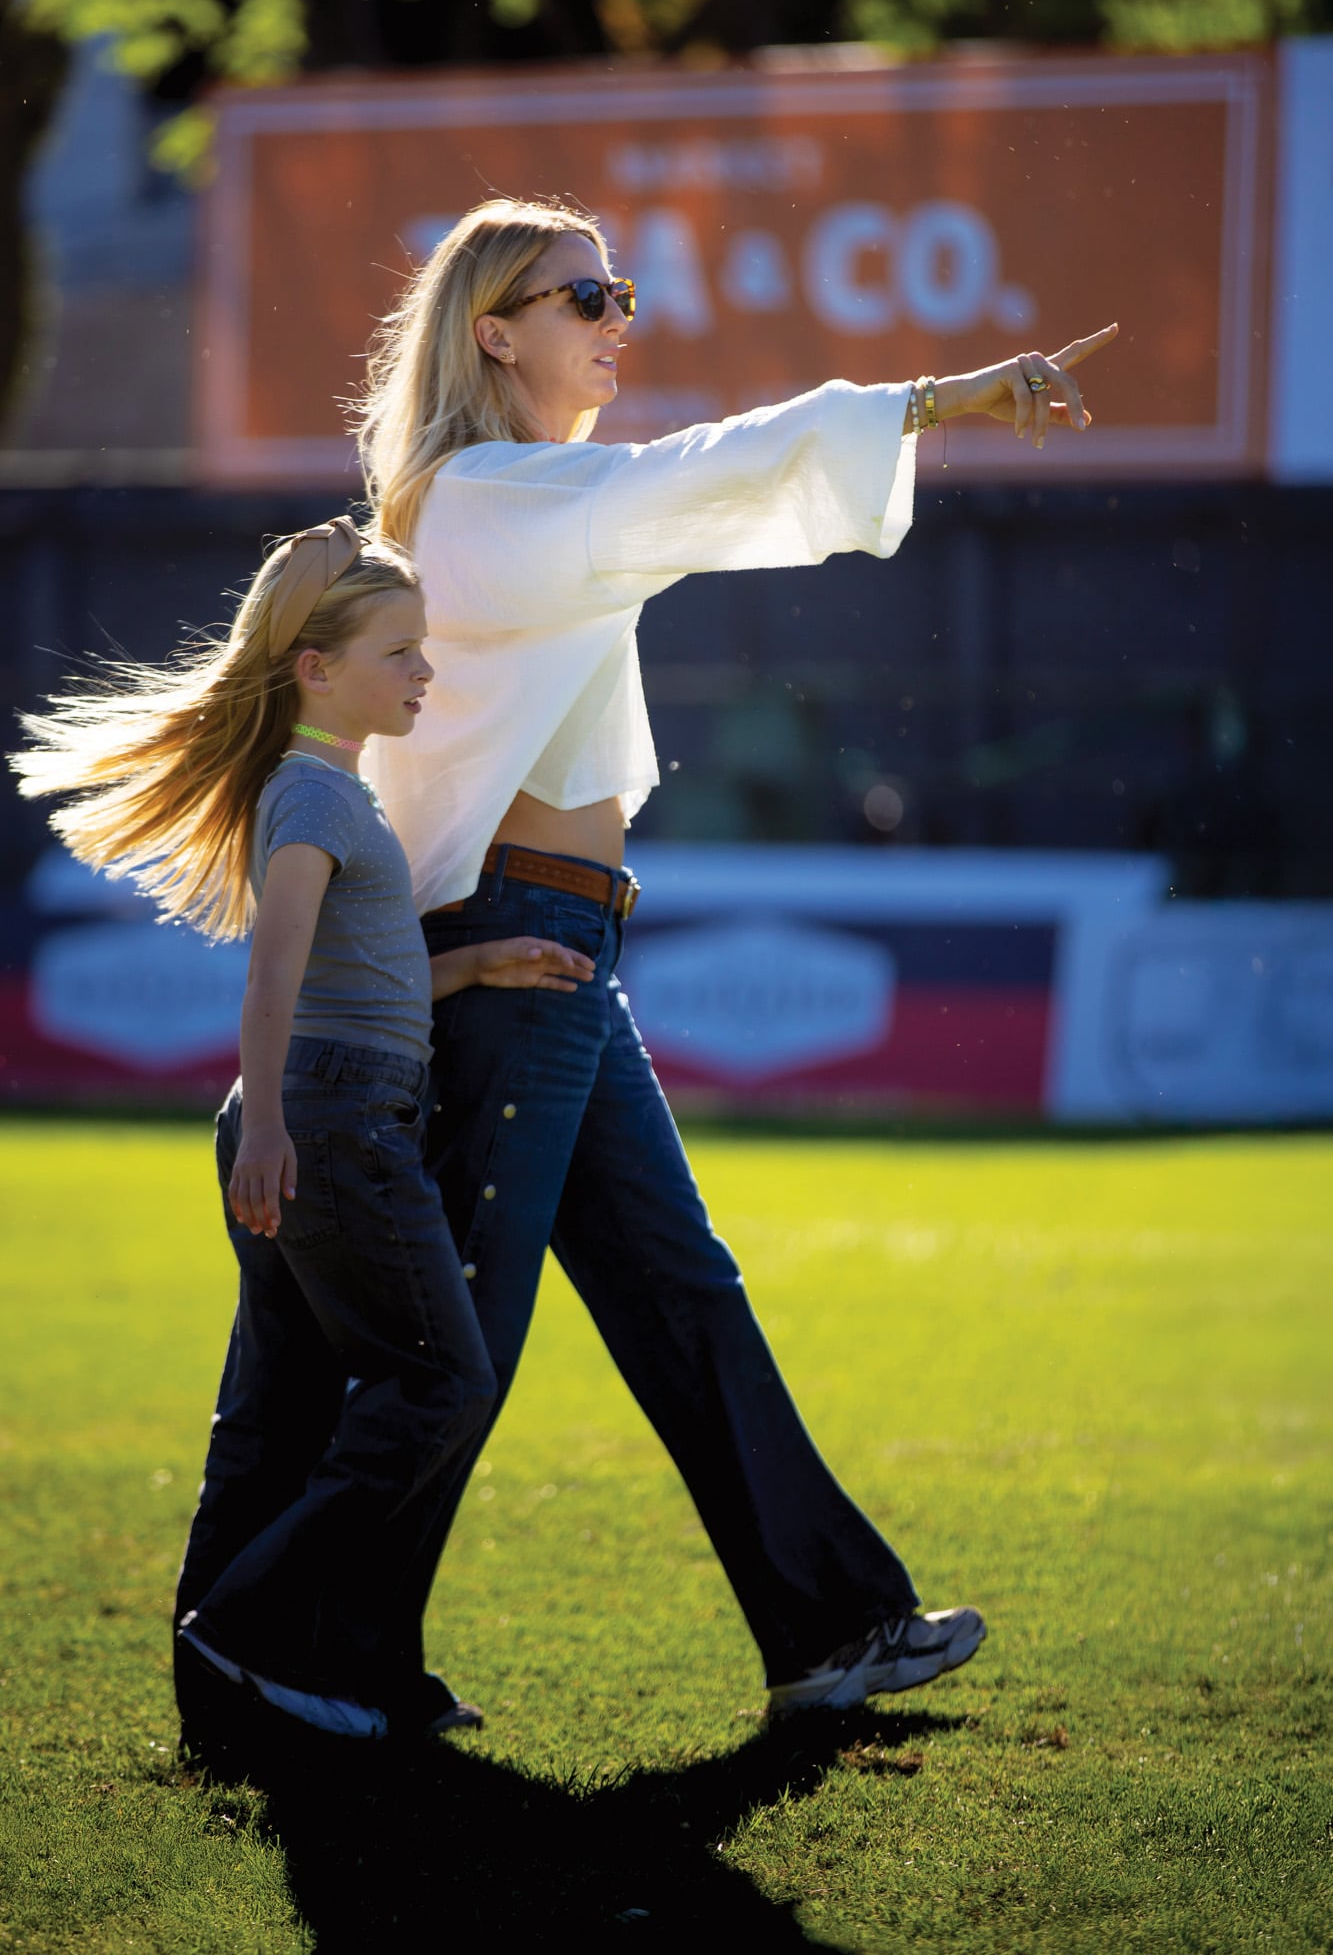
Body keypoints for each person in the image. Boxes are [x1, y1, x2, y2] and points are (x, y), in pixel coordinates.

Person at [354, 196, 1116, 1719]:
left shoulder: (522, 492)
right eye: (589, 294)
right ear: (494, 329)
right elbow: (699, 477)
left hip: (556, 938)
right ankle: (318, 1643)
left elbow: (685, 490)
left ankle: (832, 1632)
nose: (618, 315)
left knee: (677, 1291)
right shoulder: (496, 498)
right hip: (515, 940)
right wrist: (934, 400)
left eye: (619, 288)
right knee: (467, 1342)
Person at [11, 516, 592, 1754]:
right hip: (325, 1123)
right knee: (441, 1380)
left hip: (317, 1105)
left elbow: (350, 978)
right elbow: (271, 978)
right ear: (317, 669)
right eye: (400, 651)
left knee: (272, 1408)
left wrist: (481, 960)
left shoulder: (326, 787)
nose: (423, 673)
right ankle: (255, 1628)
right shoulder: (316, 791)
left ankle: (216, 1688)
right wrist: (269, 1121)